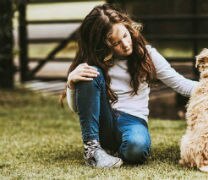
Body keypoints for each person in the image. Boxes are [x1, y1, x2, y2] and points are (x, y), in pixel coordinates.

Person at [60, 3, 197, 168]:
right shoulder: (93, 62)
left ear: (128, 27)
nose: (125, 44)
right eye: (115, 43)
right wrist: (71, 84)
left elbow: (180, 83)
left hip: (133, 120)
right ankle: (93, 151)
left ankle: (112, 152)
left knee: (136, 150)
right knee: (90, 72)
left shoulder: (147, 55)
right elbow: (78, 109)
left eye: (125, 35)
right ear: (103, 44)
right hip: (104, 119)